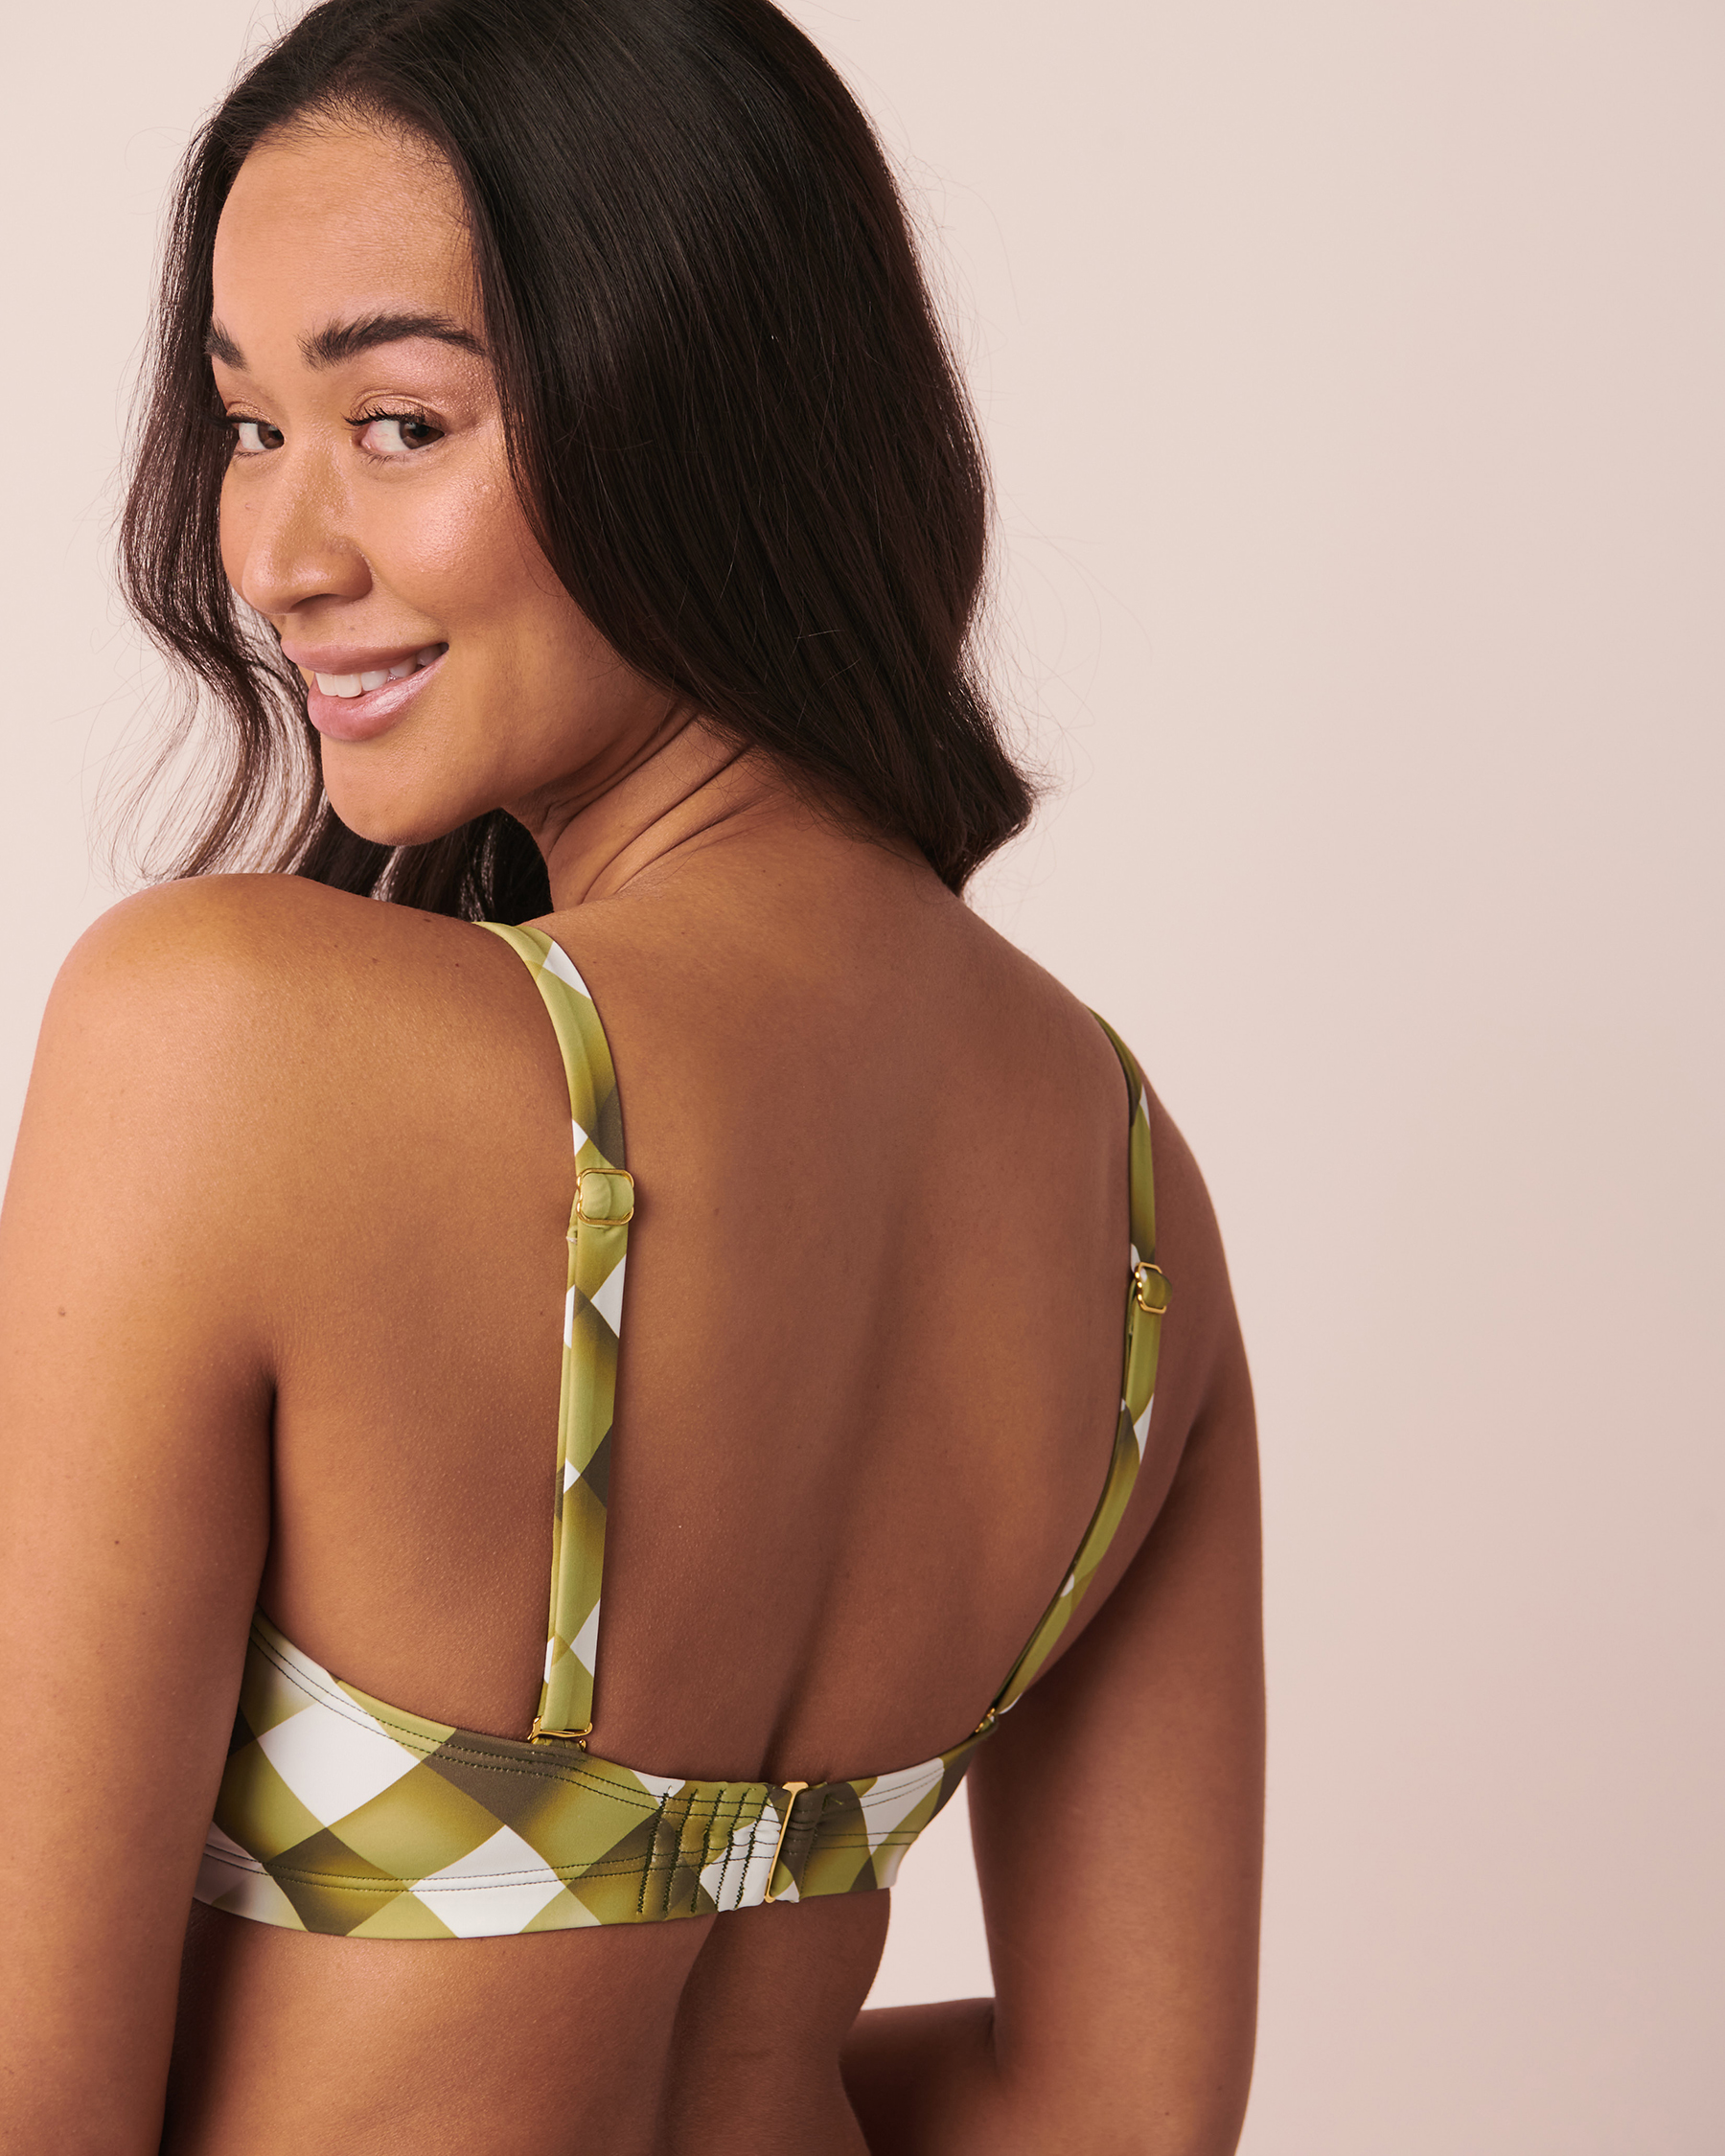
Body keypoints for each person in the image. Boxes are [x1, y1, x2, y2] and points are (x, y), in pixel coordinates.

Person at [0, 1, 1263, 2148]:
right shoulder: (1134, 1200)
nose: (279, 555)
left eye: (401, 422)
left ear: (696, 407)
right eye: (249, 425)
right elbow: (1115, 2116)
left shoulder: (226, 1041)